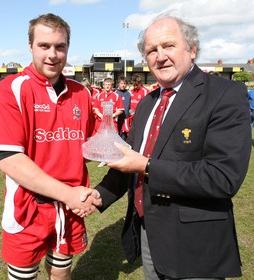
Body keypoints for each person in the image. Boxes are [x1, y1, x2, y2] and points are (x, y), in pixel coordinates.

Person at [92, 14, 251, 279]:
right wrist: (99, 195)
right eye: (152, 50)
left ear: (192, 49)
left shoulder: (224, 94)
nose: (160, 56)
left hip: (195, 245)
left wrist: (147, 166)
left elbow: (223, 177)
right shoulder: (146, 104)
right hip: (148, 234)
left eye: (168, 46)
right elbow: (128, 161)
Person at [0, 13, 101, 280]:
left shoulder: (81, 92)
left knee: (61, 272)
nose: (52, 54)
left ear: (67, 48)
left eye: (60, 46)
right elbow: (10, 160)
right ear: (30, 47)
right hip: (28, 208)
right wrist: (68, 194)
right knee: (24, 276)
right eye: (44, 46)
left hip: (71, 208)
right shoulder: (10, 89)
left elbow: (96, 144)